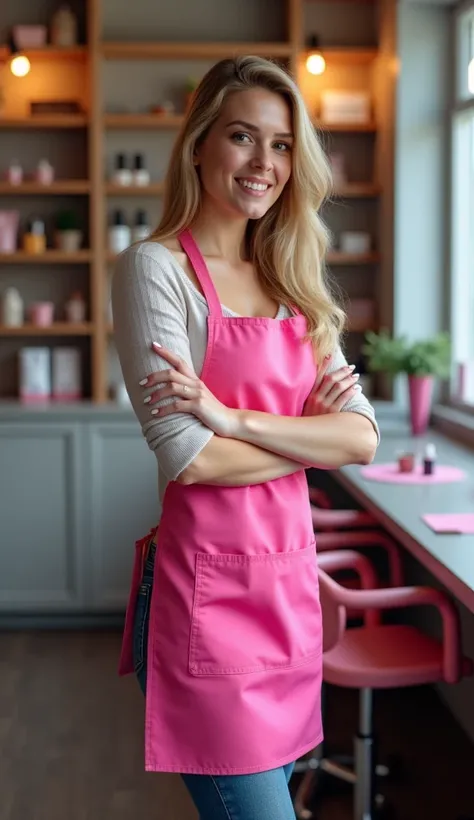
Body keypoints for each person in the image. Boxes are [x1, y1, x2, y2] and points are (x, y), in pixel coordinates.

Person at [112, 55, 379, 820]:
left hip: (285, 590)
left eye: (283, 144)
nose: (265, 164)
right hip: (205, 602)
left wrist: (232, 419)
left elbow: (361, 440)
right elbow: (191, 458)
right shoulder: (155, 271)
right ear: (199, 144)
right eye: (242, 137)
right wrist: (304, 435)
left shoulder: (293, 278)